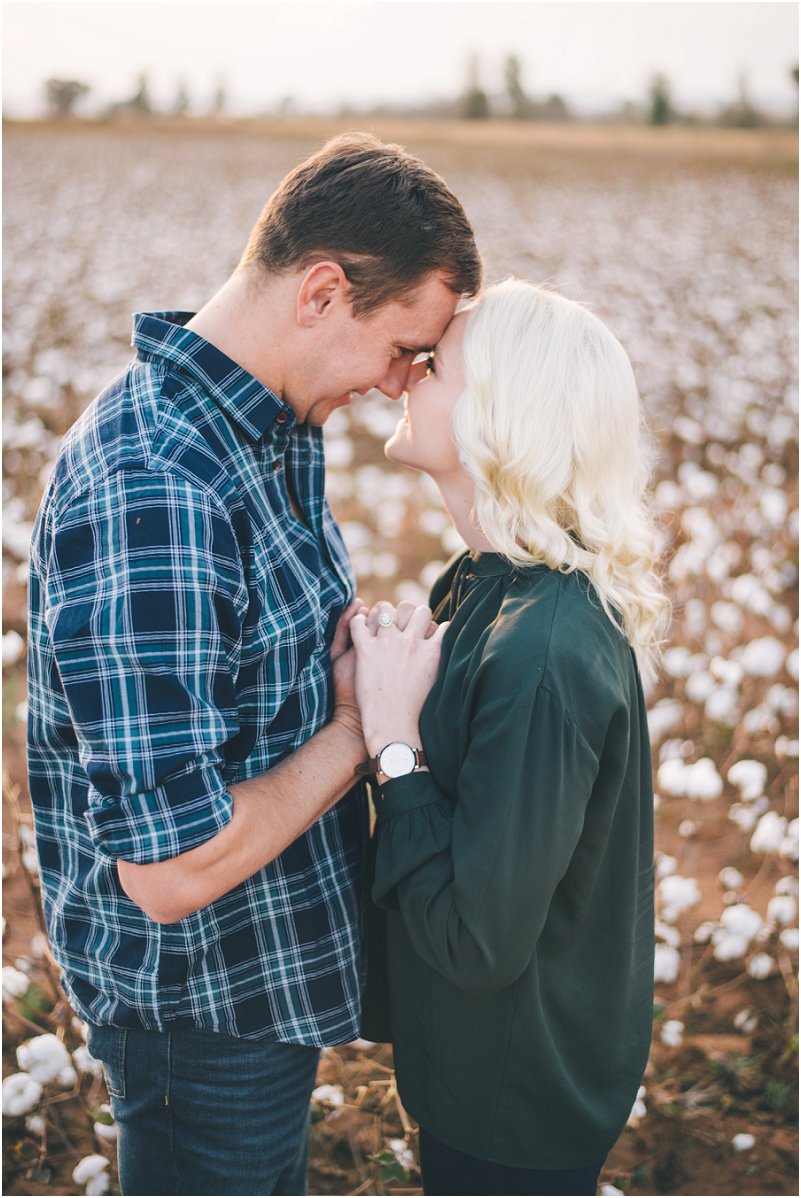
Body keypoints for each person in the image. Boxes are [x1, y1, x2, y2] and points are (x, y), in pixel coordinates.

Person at [26, 132, 481, 1196]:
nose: (398, 385)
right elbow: (171, 870)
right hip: (202, 1014)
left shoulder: (264, 428)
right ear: (322, 292)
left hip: (258, 986)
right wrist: (362, 728)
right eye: (402, 348)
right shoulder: (157, 489)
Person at [350, 279, 670, 1197]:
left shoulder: (539, 652)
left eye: (434, 364)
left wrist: (393, 741)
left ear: (498, 413)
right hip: (481, 1071)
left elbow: (475, 943)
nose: (405, 374)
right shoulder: (483, 582)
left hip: (514, 1105)